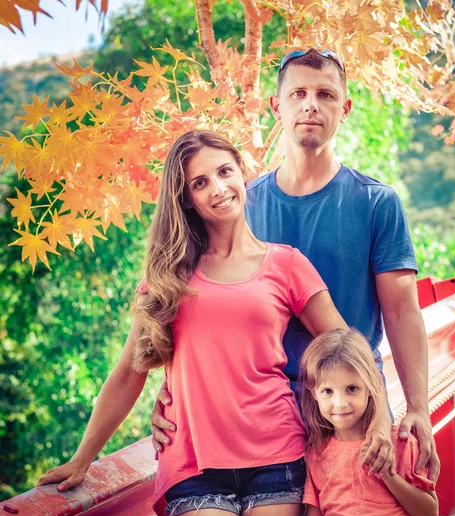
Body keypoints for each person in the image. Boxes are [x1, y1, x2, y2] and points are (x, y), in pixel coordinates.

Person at [37, 131, 393, 516]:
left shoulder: (286, 265)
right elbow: (129, 373)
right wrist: (84, 459)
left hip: (277, 455)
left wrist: (382, 423)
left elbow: (349, 348)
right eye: (199, 183)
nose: (218, 187)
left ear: (241, 172)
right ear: (185, 200)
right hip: (193, 463)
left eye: (224, 172)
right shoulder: (168, 277)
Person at [151, 48, 440, 481]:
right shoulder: (239, 202)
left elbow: (401, 312)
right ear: (277, 106)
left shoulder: (376, 202)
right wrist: (172, 385)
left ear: (344, 109)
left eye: (325, 94)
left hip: (351, 411)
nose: (310, 104)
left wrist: (418, 409)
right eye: (298, 93)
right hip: (260, 414)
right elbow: (203, 304)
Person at [300, 328, 438, 516]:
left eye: (352, 389)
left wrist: (389, 476)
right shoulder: (317, 454)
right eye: (328, 391)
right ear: (314, 393)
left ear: (371, 386)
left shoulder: (399, 443)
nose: (339, 403)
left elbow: (430, 513)